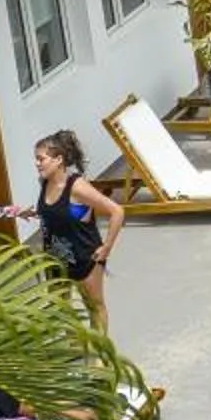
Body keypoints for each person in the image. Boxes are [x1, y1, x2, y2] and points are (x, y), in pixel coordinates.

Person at [32, 131, 124, 334]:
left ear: (58, 160)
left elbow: (117, 211)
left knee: (94, 307)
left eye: (41, 159)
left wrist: (107, 247)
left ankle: (99, 355)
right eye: (36, 159)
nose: (37, 164)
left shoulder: (77, 187)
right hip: (55, 259)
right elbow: (60, 211)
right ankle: (74, 345)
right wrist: (31, 211)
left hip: (85, 257)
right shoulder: (45, 183)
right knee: (61, 308)